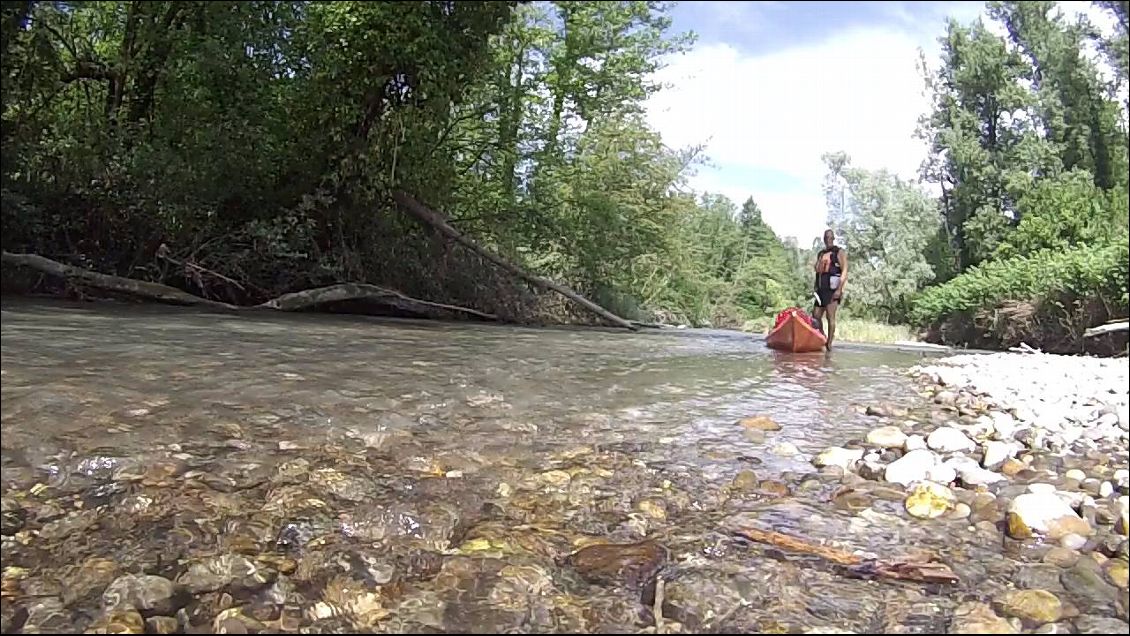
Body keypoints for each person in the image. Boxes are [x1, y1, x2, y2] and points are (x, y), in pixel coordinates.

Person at [812, 228, 847, 350]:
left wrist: (839, 289)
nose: (828, 239)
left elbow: (845, 271)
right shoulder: (821, 254)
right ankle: (822, 337)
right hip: (821, 289)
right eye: (826, 237)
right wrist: (816, 287)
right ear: (823, 239)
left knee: (830, 317)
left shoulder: (839, 252)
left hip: (833, 289)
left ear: (833, 238)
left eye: (830, 237)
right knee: (815, 315)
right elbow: (817, 271)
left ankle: (829, 344)